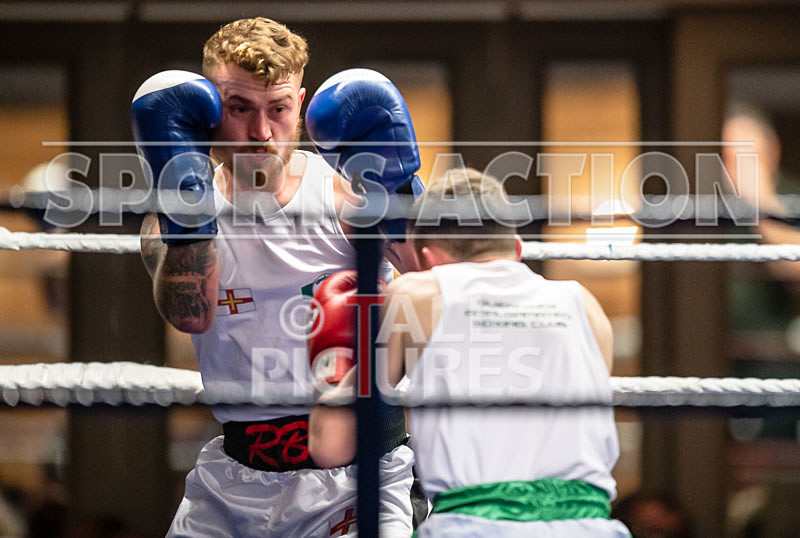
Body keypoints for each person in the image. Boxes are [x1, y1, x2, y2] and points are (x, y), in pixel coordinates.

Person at [133, 17, 420, 537]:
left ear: (303, 105)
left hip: (356, 477)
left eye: (279, 109)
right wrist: (189, 212)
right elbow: (190, 314)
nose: (262, 133)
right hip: (234, 481)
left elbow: (437, 276)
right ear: (207, 110)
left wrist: (400, 189)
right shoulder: (169, 215)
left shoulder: (342, 192)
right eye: (239, 109)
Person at [309, 168, 630, 537]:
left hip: (474, 527)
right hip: (590, 527)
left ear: (430, 260)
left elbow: (330, 445)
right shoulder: (585, 305)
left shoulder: (418, 294)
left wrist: (331, 366)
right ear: (517, 249)